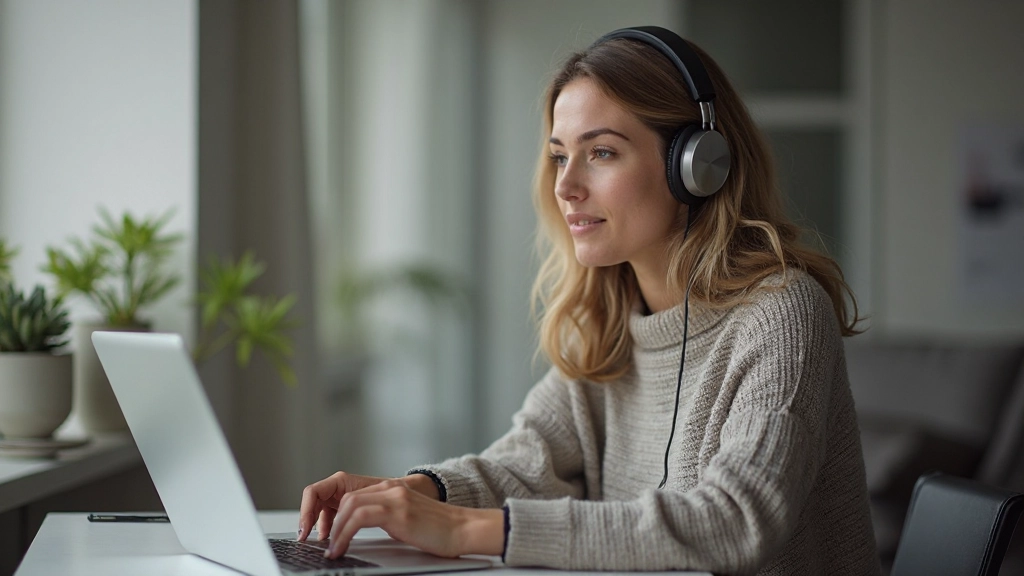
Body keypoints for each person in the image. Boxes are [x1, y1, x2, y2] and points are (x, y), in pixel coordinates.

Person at [298, 25, 881, 575]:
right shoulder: (610, 318)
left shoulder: (782, 312)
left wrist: (466, 530)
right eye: (559, 155)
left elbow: (736, 519)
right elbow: (528, 461)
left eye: (601, 152)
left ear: (697, 166)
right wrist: (411, 492)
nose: (565, 185)